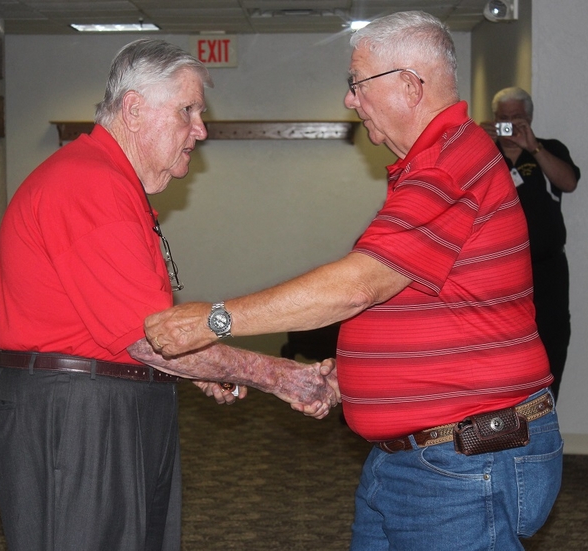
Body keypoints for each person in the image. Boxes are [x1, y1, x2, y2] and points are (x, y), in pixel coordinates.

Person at [141, 13, 563, 550]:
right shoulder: (436, 160)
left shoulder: (452, 162)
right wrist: (363, 373)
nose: (349, 100)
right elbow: (429, 299)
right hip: (418, 457)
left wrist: (212, 320)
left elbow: (359, 284)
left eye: (357, 84)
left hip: (461, 461)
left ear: (410, 85)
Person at [0, 38, 337, 551]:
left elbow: (140, 324)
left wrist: (202, 364)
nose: (200, 129)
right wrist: (279, 375)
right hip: (78, 415)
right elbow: (146, 340)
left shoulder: (108, 181)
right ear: (133, 110)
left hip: (106, 403)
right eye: (188, 111)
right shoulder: (89, 185)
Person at [480, 87, 580, 401]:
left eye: (517, 119)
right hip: (497, 272)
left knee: (551, 341)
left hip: (547, 269)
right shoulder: (483, 152)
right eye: (503, 119)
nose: (509, 125)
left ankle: (546, 417)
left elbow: (569, 182)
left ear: (530, 119)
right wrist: (474, 142)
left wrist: (533, 146)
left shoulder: (548, 149)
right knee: (497, 347)